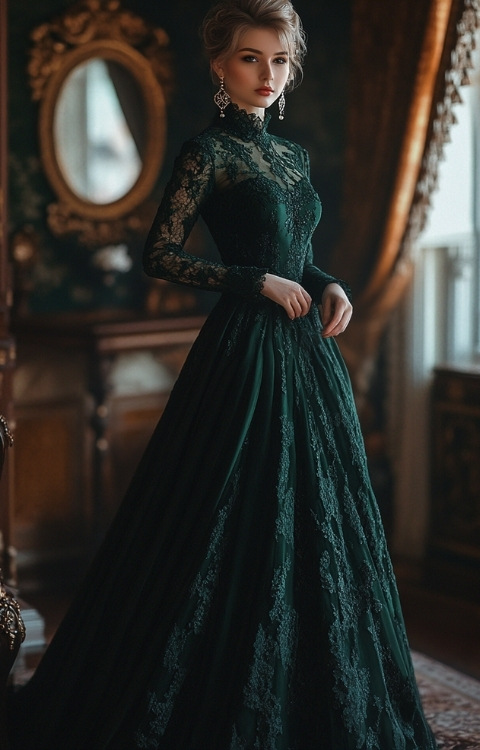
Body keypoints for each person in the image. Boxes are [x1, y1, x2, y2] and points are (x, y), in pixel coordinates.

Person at [9, 1, 438, 747]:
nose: (267, 75)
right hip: (245, 355)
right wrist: (254, 282)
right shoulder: (206, 152)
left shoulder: (295, 156)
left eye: (279, 61)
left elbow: (297, 250)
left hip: (308, 354)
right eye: (250, 58)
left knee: (323, 520)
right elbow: (161, 255)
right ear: (219, 65)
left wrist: (328, 279)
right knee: (228, 516)